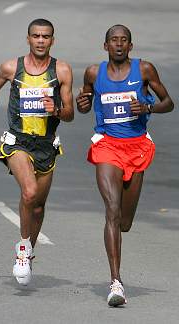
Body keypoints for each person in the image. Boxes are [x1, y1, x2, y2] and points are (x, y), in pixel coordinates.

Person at [76, 24, 174, 307]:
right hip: (107, 146)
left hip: (137, 147)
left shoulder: (144, 70)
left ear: (130, 46)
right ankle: (116, 282)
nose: (118, 45)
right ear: (105, 46)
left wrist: (148, 108)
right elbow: (84, 104)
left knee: (125, 222)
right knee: (112, 209)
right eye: (113, 41)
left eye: (124, 41)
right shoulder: (94, 73)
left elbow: (169, 102)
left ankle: (118, 246)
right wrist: (82, 103)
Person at [0, 18, 74, 285]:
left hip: (47, 144)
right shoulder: (11, 67)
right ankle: (23, 249)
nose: (41, 41)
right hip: (18, 141)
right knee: (29, 192)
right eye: (36, 36)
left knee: (39, 206)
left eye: (46, 36)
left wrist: (55, 109)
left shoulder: (63, 71)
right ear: (28, 39)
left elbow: (69, 114)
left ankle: (29, 252)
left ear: (52, 40)